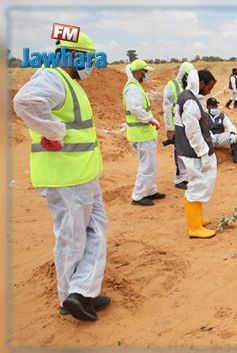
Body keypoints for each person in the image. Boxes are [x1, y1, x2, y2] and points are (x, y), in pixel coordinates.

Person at [13, 32, 110, 321]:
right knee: (72, 237)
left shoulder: (68, 82)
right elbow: (26, 101)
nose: (90, 65)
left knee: (94, 230)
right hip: (65, 175)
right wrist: (54, 131)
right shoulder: (52, 76)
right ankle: (71, 296)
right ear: (75, 55)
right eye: (89, 59)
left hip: (81, 173)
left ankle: (82, 292)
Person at [175, 69, 219, 239]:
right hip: (194, 152)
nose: (210, 91)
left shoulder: (189, 97)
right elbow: (192, 132)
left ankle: (197, 219)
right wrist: (204, 153)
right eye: (209, 86)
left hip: (192, 151)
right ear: (201, 83)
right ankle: (194, 228)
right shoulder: (190, 102)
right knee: (197, 186)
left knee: (199, 184)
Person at [123, 59, 164, 206]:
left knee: (150, 165)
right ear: (139, 72)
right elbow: (135, 107)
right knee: (146, 166)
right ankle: (139, 195)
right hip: (140, 134)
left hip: (144, 134)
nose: (146, 75)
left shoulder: (135, 86)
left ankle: (150, 190)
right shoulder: (133, 88)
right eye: (145, 72)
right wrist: (149, 119)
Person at [162, 62, 195, 190]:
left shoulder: (188, 87)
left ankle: (186, 176)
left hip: (187, 125)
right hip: (177, 126)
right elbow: (166, 108)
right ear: (184, 74)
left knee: (187, 151)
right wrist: (169, 128)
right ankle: (180, 178)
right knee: (179, 153)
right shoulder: (171, 86)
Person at [206, 97, 237, 164]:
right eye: (212, 105)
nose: (214, 107)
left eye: (215, 105)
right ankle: (208, 161)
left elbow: (230, 125)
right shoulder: (204, 116)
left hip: (219, 138)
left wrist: (232, 133)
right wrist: (210, 136)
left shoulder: (221, 115)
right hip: (209, 138)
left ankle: (236, 158)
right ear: (208, 106)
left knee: (234, 137)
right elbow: (203, 129)